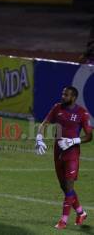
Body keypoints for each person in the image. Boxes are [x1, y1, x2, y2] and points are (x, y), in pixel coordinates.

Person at [35, 86, 92, 229]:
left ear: (73, 97)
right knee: (64, 186)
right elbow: (45, 123)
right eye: (62, 94)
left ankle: (63, 221)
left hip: (72, 153)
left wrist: (73, 141)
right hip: (58, 151)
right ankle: (81, 213)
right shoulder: (57, 108)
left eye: (66, 95)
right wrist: (39, 137)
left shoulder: (82, 113)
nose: (63, 96)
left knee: (68, 185)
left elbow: (89, 136)